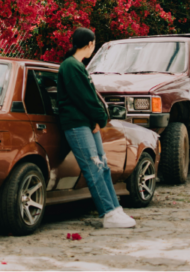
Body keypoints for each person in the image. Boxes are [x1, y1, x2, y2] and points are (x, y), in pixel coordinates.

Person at [57, 28, 136, 229]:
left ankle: (115, 208)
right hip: (76, 124)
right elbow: (84, 97)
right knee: (93, 167)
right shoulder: (70, 66)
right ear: (90, 43)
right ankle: (109, 213)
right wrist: (99, 117)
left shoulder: (77, 65)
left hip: (86, 123)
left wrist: (95, 121)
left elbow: (86, 97)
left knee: (102, 166)